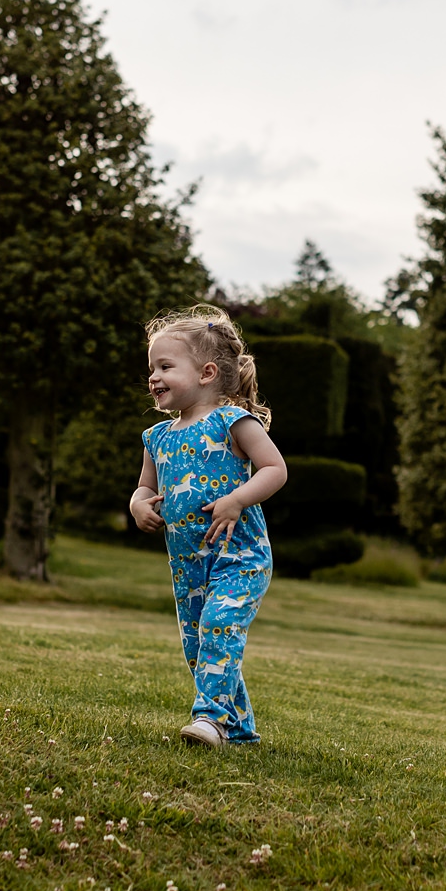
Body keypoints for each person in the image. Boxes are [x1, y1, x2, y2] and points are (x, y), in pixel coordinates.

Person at [129, 306, 288, 746]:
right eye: (151, 369)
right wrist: (138, 504)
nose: (153, 377)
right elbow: (144, 487)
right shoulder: (156, 437)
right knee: (200, 650)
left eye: (165, 366)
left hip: (240, 556)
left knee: (219, 627)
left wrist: (237, 499)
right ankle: (239, 732)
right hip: (188, 565)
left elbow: (275, 469)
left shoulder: (231, 422)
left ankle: (209, 720)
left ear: (207, 372)